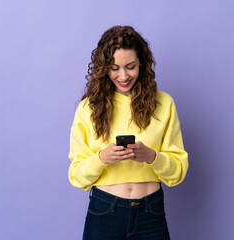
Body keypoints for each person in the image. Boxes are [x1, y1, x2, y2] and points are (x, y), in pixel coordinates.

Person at [68, 25, 189, 240]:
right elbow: (77, 176)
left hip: (151, 212)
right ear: (104, 68)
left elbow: (178, 172)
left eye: (130, 66)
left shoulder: (164, 103)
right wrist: (101, 158)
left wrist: (152, 157)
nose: (123, 75)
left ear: (142, 64)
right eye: (114, 68)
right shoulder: (88, 108)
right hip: (104, 211)